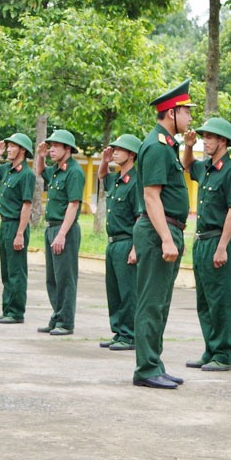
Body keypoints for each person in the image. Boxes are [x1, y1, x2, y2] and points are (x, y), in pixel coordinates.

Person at [132, 80, 194, 390]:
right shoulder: (156, 146)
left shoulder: (168, 146)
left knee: (162, 303)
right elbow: (151, 196)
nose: (190, 118)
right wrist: (166, 239)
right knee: (151, 302)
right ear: (172, 113)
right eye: (187, 111)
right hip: (160, 232)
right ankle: (145, 369)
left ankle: (154, 362)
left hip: (169, 230)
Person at [186, 118, 231, 372]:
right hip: (201, 241)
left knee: (220, 300)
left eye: (209, 137)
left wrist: (222, 246)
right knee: (204, 300)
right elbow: (186, 165)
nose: (204, 141)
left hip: (218, 240)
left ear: (223, 141)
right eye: (204, 136)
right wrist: (187, 146)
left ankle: (223, 354)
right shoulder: (206, 168)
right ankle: (210, 349)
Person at [96, 134, 141, 350]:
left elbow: (141, 217)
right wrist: (104, 161)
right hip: (112, 243)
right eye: (113, 149)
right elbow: (101, 177)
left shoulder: (136, 181)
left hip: (126, 241)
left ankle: (129, 335)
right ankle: (118, 331)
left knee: (127, 291)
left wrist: (136, 247)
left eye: (119, 150)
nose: (114, 152)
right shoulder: (116, 179)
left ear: (132, 154)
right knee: (113, 291)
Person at [39, 129, 85, 336]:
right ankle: (57, 316)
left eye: (56, 146)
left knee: (65, 277)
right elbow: (42, 173)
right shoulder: (57, 170)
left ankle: (66, 321)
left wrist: (62, 234)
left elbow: (73, 205)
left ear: (68, 148)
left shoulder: (74, 171)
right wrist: (40, 157)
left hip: (64, 229)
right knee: (53, 278)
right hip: (52, 227)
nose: (52, 149)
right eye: (51, 146)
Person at [0, 134, 36, 324]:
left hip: (16, 225)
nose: (8, 149)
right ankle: (7, 308)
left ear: (22, 150)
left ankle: (16, 312)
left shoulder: (26, 174)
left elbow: (27, 205)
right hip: (4, 224)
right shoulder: (9, 170)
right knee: (6, 270)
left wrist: (19, 234)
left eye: (12, 146)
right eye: (7, 146)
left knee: (16, 271)